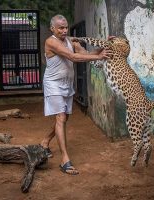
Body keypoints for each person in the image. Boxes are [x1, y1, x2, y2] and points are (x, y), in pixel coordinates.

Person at [41, 14, 113, 175]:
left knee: (64, 118)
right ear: (52, 28)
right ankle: (65, 160)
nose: (64, 30)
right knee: (60, 118)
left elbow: (87, 53)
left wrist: (104, 46)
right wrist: (98, 56)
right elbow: (72, 57)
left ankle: (45, 142)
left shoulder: (71, 41)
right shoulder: (50, 41)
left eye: (66, 27)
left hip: (67, 84)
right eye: (60, 28)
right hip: (53, 85)